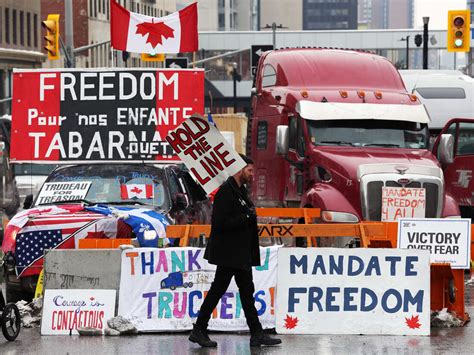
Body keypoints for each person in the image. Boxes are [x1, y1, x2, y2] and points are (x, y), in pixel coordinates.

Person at [189, 154, 282, 348]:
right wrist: (246, 217)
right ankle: (199, 329)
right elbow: (221, 223)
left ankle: (256, 334)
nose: (252, 174)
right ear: (239, 169)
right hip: (229, 254)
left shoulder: (240, 190)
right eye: (249, 170)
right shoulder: (226, 192)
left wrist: (248, 216)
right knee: (218, 290)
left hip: (240, 253)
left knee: (247, 292)